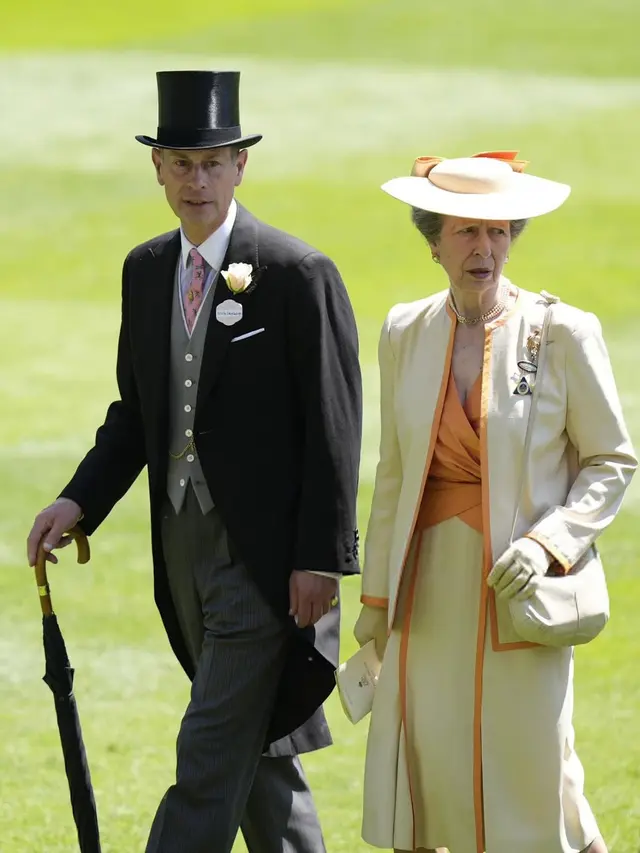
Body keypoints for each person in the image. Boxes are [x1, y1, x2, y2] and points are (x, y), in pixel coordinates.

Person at [26, 70, 362, 853]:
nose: (196, 179)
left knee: (209, 754)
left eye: (213, 162)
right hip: (180, 548)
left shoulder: (296, 275)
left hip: (265, 562)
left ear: (242, 165)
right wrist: (80, 500)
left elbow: (333, 429)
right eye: (180, 162)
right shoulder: (145, 271)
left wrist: (320, 559)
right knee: (261, 755)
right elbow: (137, 414)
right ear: (157, 168)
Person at [353, 150, 636, 853]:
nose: (485, 247)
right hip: (427, 595)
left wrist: (551, 542)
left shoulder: (564, 332)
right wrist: (377, 600)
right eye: (466, 232)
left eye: (499, 231)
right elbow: (393, 475)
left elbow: (613, 460)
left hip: (522, 593)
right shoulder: (403, 331)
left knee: (536, 777)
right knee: (426, 778)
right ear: (433, 241)